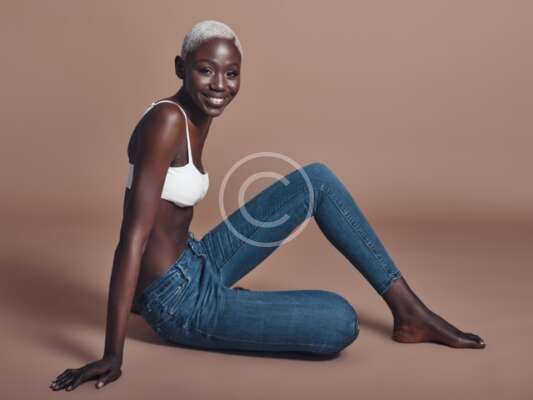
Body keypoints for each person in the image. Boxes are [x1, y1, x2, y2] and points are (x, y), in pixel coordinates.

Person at [50, 20, 485, 392]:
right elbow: (133, 236)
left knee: (316, 180)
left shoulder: (197, 113)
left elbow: (168, 218)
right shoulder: (166, 122)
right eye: (205, 70)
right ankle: (213, 308)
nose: (219, 85)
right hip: (180, 303)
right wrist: (112, 353)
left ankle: (409, 311)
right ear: (181, 68)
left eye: (231, 74)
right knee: (340, 321)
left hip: (196, 259)